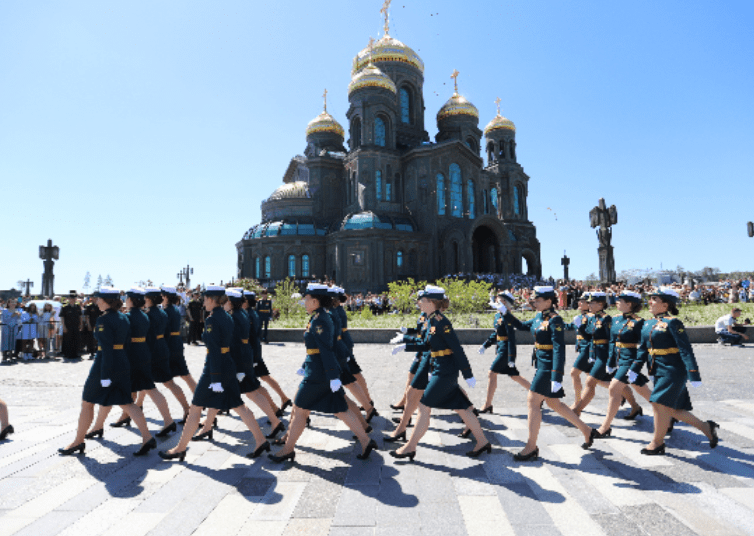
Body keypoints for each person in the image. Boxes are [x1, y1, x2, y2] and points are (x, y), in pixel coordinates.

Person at [159, 285, 275, 462]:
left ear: (212, 299)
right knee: (238, 405)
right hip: (226, 365)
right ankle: (260, 440)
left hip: (214, 368)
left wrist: (214, 378)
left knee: (196, 407)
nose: (203, 302)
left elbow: (214, 350)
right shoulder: (226, 317)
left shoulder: (213, 320)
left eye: (205, 299)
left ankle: (180, 448)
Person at [268, 283, 377, 463]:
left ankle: (288, 449)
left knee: (301, 409)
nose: (304, 301)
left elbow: (326, 349)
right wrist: (306, 364)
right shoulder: (319, 317)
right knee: (339, 407)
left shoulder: (320, 320)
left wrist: (334, 376)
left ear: (315, 301)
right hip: (319, 370)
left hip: (318, 374)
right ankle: (366, 440)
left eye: (307, 299)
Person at [389, 285, 490, 461]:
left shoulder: (442, 321)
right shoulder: (431, 320)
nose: (419, 302)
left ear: (432, 303)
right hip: (438, 366)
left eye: (423, 300)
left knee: (423, 406)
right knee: (462, 407)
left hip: (445, 370)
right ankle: (482, 441)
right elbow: (426, 345)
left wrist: (468, 374)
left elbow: (456, 348)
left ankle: (410, 447)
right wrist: (405, 344)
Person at [58, 287, 156, 457]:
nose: (96, 301)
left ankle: (78, 441)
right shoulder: (124, 317)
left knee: (87, 402)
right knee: (127, 402)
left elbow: (107, 349)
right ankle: (147, 437)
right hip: (122, 362)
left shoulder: (104, 320)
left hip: (104, 364)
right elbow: (126, 343)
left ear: (105, 301)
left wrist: (104, 375)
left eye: (99, 299)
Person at [505, 286, 596, 461]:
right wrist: (505, 313)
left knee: (533, 401)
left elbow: (558, 349)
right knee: (554, 404)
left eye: (537, 300)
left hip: (549, 367)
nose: (534, 302)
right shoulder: (539, 316)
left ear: (548, 301)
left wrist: (557, 376)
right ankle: (587, 430)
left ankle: (531, 447)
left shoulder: (555, 320)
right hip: (541, 364)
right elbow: (522, 326)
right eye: (534, 299)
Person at [628, 287, 719, 455]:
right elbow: (642, 349)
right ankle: (706, 427)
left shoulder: (673, 323)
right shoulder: (648, 323)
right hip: (656, 369)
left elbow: (685, 349)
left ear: (665, 305)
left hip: (673, 370)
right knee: (672, 410)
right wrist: (634, 369)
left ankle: (657, 443)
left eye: (654, 299)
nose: (650, 301)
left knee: (657, 403)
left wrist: (693, 373)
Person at [191, 288, 284, 443]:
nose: (224, 303)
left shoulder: (235, 317)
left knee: (251, 393)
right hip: (241, 359)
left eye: (226, 301)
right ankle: (207, 425)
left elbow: (236, 343)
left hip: (239, 360)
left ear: (231, 303)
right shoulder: (239, 315)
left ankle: (275, 421)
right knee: (242, 392)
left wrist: (240, 368)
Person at [85, 288, 177, 439]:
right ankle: (112, 421)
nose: (125, 301)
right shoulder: (144, 315)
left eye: (127, 298)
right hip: (145, 352)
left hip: (133, 356)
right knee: (134, 391)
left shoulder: (127, 316)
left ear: (131, 300)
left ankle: (167, 421)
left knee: (142, 389)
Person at [592, 291, 650, 439]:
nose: (616, 302)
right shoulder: (616, 320)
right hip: (618, 360)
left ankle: (605, 427)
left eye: (620, 300)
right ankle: (668, 413)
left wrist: (637, 366)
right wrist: (611, 362)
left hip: (630, 360)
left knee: (614, 388)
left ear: (629, 304)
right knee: (642, 390)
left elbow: (644, 346)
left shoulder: (639, 322)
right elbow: (612, 342)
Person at [129, 288, 190, 426]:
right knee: (166, 382)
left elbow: (147, 336)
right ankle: (187, 408)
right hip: (163, 347)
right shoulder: (162, 312)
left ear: (149, 299)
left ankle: (129, 412)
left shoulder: (148, 314)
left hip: (152, 350)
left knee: (147, 382)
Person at [477, 291, 531, 413]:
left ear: (505, 302)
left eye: (499, 299)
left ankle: (487, 404)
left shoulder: (508, 317)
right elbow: (496, 333)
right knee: (515, 376)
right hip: (500, 348)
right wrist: (485, 345)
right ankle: (538, 394)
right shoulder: (498, 315)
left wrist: (512, 358)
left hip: (506, 350)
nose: (496, 301)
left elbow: (511, 338)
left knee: (491, 373)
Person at [247, 291, 291, 414]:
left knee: (257, 382)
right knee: (264, 376)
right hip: (255, 350)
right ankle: (283, 399)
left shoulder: (249, 315)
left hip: (252, 353)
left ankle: (275, 407)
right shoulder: (253, 313)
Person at [333, 287, 375, 411]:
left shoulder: (336, 311)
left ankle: (367, 402)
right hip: (344, 341)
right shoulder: (337, 309)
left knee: (353, 373)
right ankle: (367, 401)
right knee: (354, 372)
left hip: (342, 343)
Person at [161, 285, 198, 393]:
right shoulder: (174, 309)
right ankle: (200, 398)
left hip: (170, 344)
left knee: (160, 378)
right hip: (177, 342)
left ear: (166, 297)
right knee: (185, 375)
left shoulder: (166, 311)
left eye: (162, 295)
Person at [566, 293, 592, 407]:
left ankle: (577, 402)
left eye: (583, 301)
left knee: (574, 373)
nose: (579, 303)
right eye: (579, 301)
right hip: (582, 349)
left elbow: (589, 334)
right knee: (595, 378)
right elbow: (569, 327)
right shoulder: (580, 316)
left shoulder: (591, 317)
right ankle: (625, 395)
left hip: (588, 350)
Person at [59, 291, 83, 359]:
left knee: (76, 339)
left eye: (74, 298)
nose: (72, 299)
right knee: (68, 340)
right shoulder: (64, 307)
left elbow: (80, 316)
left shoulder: (77, 307)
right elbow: (62, 317)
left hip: (76, 325)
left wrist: (81, 324)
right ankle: (67, 353)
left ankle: (75, 353)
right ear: (68, 299)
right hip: (68, 326)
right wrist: (64, 327)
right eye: (71, 298)